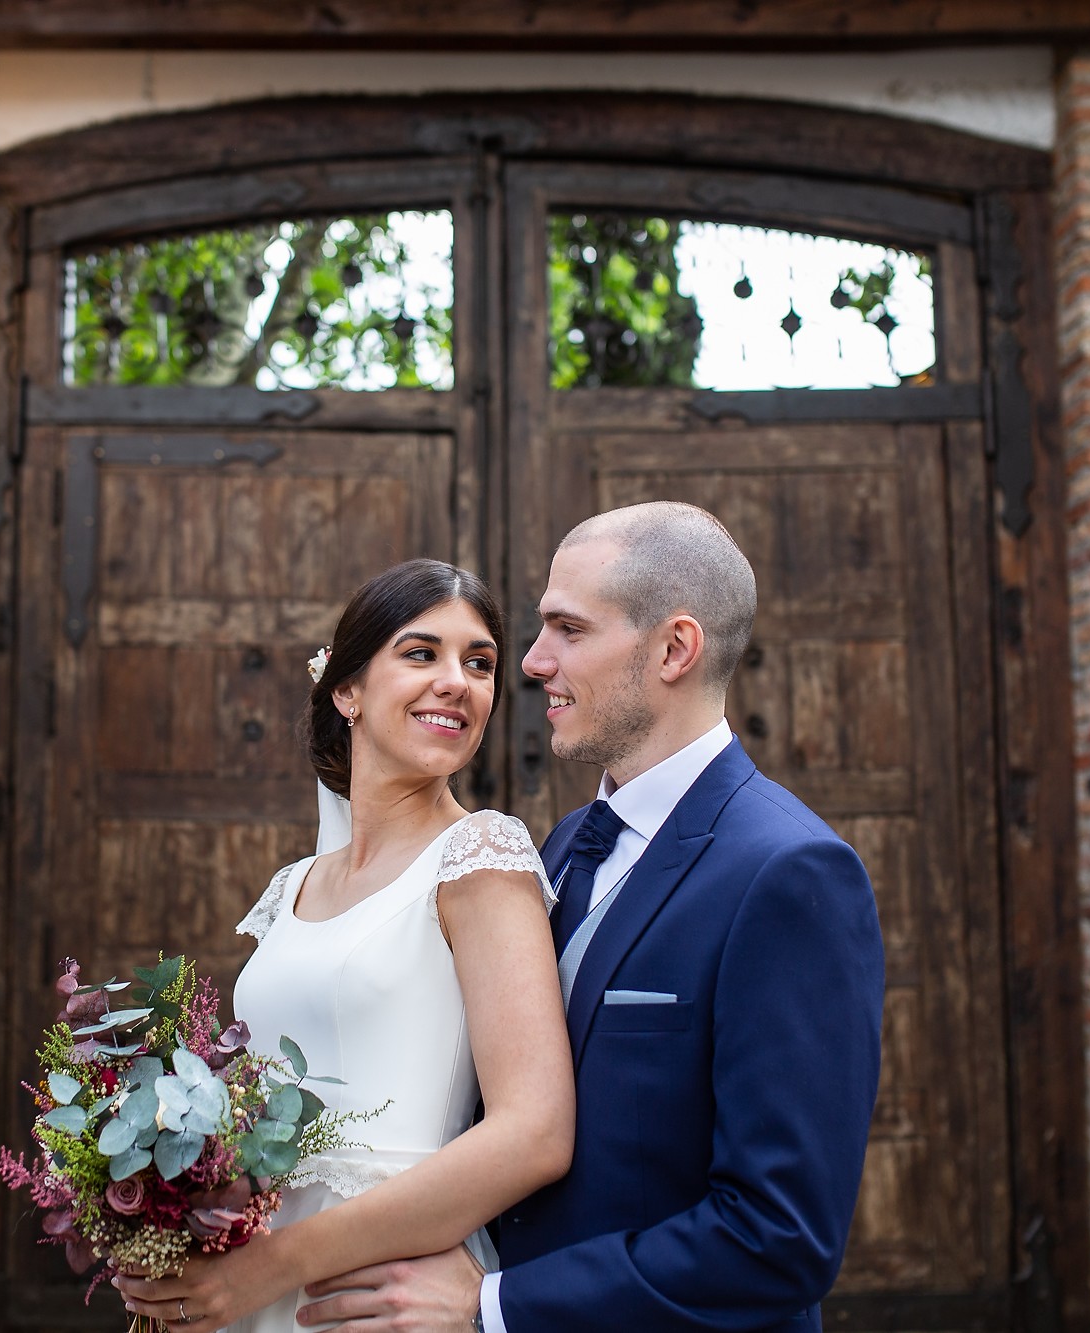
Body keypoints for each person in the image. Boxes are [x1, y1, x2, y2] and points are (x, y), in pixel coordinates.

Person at [292, 502, 886, 1333]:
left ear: (675, 648)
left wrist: (496, 1304)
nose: (533, 662)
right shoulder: (568, 844)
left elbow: (778, 1237)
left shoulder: (786, 873)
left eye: (567, 629)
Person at [116, 558, 576, 1332]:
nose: (457, 681)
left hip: (377, 1286)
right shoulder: (294, 883)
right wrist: (166, 1203)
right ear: (347, 688)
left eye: (480, 662)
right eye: (421, 653)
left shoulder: (482, 856)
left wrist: (280, 1262)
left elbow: (535, 1132)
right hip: (247, 1273)